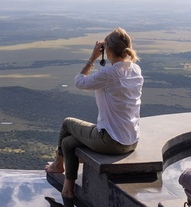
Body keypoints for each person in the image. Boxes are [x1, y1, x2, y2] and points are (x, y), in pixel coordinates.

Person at [45, 28, 143, 198]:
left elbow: (79, 82)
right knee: (67, 143)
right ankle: (68, 188)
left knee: (67, 123)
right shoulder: (136, 70)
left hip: (111, 141)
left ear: (108, 49)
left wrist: (92, 58)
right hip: (132, 141)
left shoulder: (109, 73)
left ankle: (57, 165)